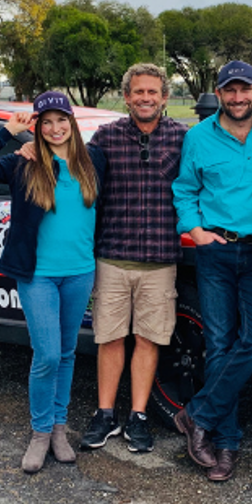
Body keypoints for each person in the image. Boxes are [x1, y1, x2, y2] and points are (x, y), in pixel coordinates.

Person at [0, 91, 107, 474]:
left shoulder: (93, 161)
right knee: (45, 355)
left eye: (62, 121)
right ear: (38, 127)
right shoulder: (22, 163)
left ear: (71, 123)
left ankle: (60, 428)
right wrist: (8, 132)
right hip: (38, 274)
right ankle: (40, 432)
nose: (55, 128)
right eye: (47, 122)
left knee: (65, 353)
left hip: (80, 272)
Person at [170, 60, 252, 481]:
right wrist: (196, 231)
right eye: (230, 90)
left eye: (246, 89)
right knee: (218, 344)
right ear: (218, 93)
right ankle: (225, 444)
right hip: (215, 252)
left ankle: (196, 414)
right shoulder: (198, 137)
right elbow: (184, 189)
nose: (239, 98)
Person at [76, 63, 188, 454]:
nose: (145, 98)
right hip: (113, 256)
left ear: (164, 97)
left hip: (160, 260)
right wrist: (26, 144)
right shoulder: (105, 138)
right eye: (138, 92)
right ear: (126, 97)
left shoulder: (181, 138)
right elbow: (74, 174)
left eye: (152, 92)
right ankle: (105, 413)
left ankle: (138, 417)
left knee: (148, 339)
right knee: (109, 338)